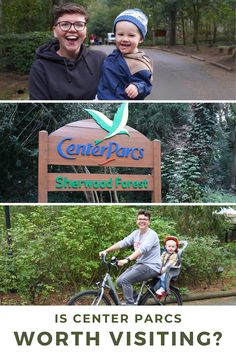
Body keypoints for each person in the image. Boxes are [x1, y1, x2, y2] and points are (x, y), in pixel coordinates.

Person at [29, 3, 106, 100]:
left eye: (79, 25)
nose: (72, 29)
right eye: (65, 24)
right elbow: (39, 108)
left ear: (86, 31)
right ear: (55, 31)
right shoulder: (40, 67)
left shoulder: (100, 60)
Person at [99, 210, 161, 305]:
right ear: (136, 221)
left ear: (149, 222)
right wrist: (106, 251)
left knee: (125, 280)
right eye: (140, 219)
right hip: (140, 264)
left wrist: (127, 260)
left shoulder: (152, 235)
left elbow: (141, 250)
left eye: (145, 219)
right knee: (119, 282)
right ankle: (136, 300)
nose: (142, 221)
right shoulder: (136, 233)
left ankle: (130, 306)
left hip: (151, 266)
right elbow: (123, 243)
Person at [97, 8, 153, 100]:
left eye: (131, 35)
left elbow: (145, 84)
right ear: (115, 35)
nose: (125, 39)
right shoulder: (115, 54)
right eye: (120, 34)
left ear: (141, 39)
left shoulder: (139, 64)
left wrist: (137, 87)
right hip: (100, 97)